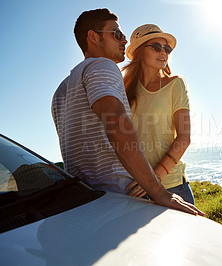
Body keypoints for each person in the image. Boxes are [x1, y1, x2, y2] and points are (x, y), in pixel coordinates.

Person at [51, 8, 203, 216]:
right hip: (127, 193)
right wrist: (157, 191)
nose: (122, 40)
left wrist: (153, 182)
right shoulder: (105, 69)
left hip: (94, 200)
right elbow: (116, 127)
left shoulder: (61, 90)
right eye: (117, 34)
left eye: (167, 48)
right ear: (93, 37)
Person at [123, 24, 195, 204]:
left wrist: (152, 179)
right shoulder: (125, 90)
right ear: (140, 52)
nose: (164, 52)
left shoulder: (176, 84)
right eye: (156, 47)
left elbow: (184, 138)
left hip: (172, 186)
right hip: (134, 187)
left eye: (167, 48)